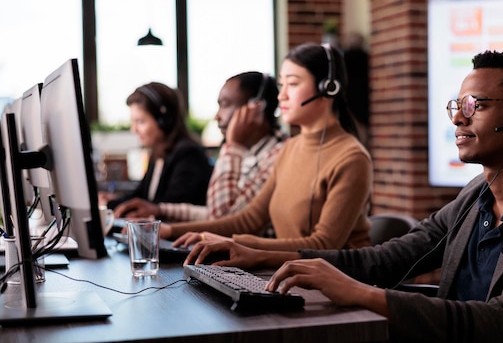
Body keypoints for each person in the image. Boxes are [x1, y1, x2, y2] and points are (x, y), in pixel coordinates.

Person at [181, 50, 503, 343]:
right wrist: (261, 254)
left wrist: (366, 296)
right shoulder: (475, 197)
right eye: (456, 106)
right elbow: (385, 259)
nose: (458, 120)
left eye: (474, 106)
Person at [166, 42, 372, 253]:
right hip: (288, 276)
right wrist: (169, 230)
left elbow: (323, 245)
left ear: (328, 87)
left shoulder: (351, 158)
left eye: (292, 84)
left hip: (336, 281)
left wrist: (238, 245)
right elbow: (249, 219)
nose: (281, 96)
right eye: (282, 85)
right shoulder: (289, 148)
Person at [112, 72, 286, 228]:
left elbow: (222, 218)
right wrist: (161, 211)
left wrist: (233, 145)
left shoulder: (277, 156)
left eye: (225, 105)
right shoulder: (247, 155)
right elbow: (212, 213)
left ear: (256, 108)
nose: (217, 116)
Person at [103, 82, 211, 212]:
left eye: (140, 122)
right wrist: (108, 202)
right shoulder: (158, 153)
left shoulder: (189, 154)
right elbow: (141, 196)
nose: (133, 129)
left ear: (164, 121)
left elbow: (167, 207)